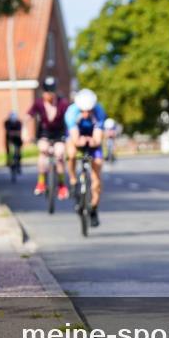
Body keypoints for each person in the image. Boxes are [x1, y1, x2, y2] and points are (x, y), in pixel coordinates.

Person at [65, 88, 107, 227]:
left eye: (89, 110)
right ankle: (72, 180)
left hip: (92, 139)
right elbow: (75, 138)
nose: (86, 113)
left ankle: (94, 208)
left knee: (97, 173)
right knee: (71, 154)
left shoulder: (99, 112)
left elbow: (98, 138)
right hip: (76, 137)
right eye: (83, 110)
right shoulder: (71, 113)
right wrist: (80, 141)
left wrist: (92, 141)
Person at [27, 77, 70, 200]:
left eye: (51, 92)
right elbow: (28, 116)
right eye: (46, 92)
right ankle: (41, 183)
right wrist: (25, 132)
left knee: (60, 154)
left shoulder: (63, 103)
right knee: (43, 150)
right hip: (44, 133)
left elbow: (71, 117)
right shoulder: (39, 103)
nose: (48, 95)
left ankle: (61, 185)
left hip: (59, 134)